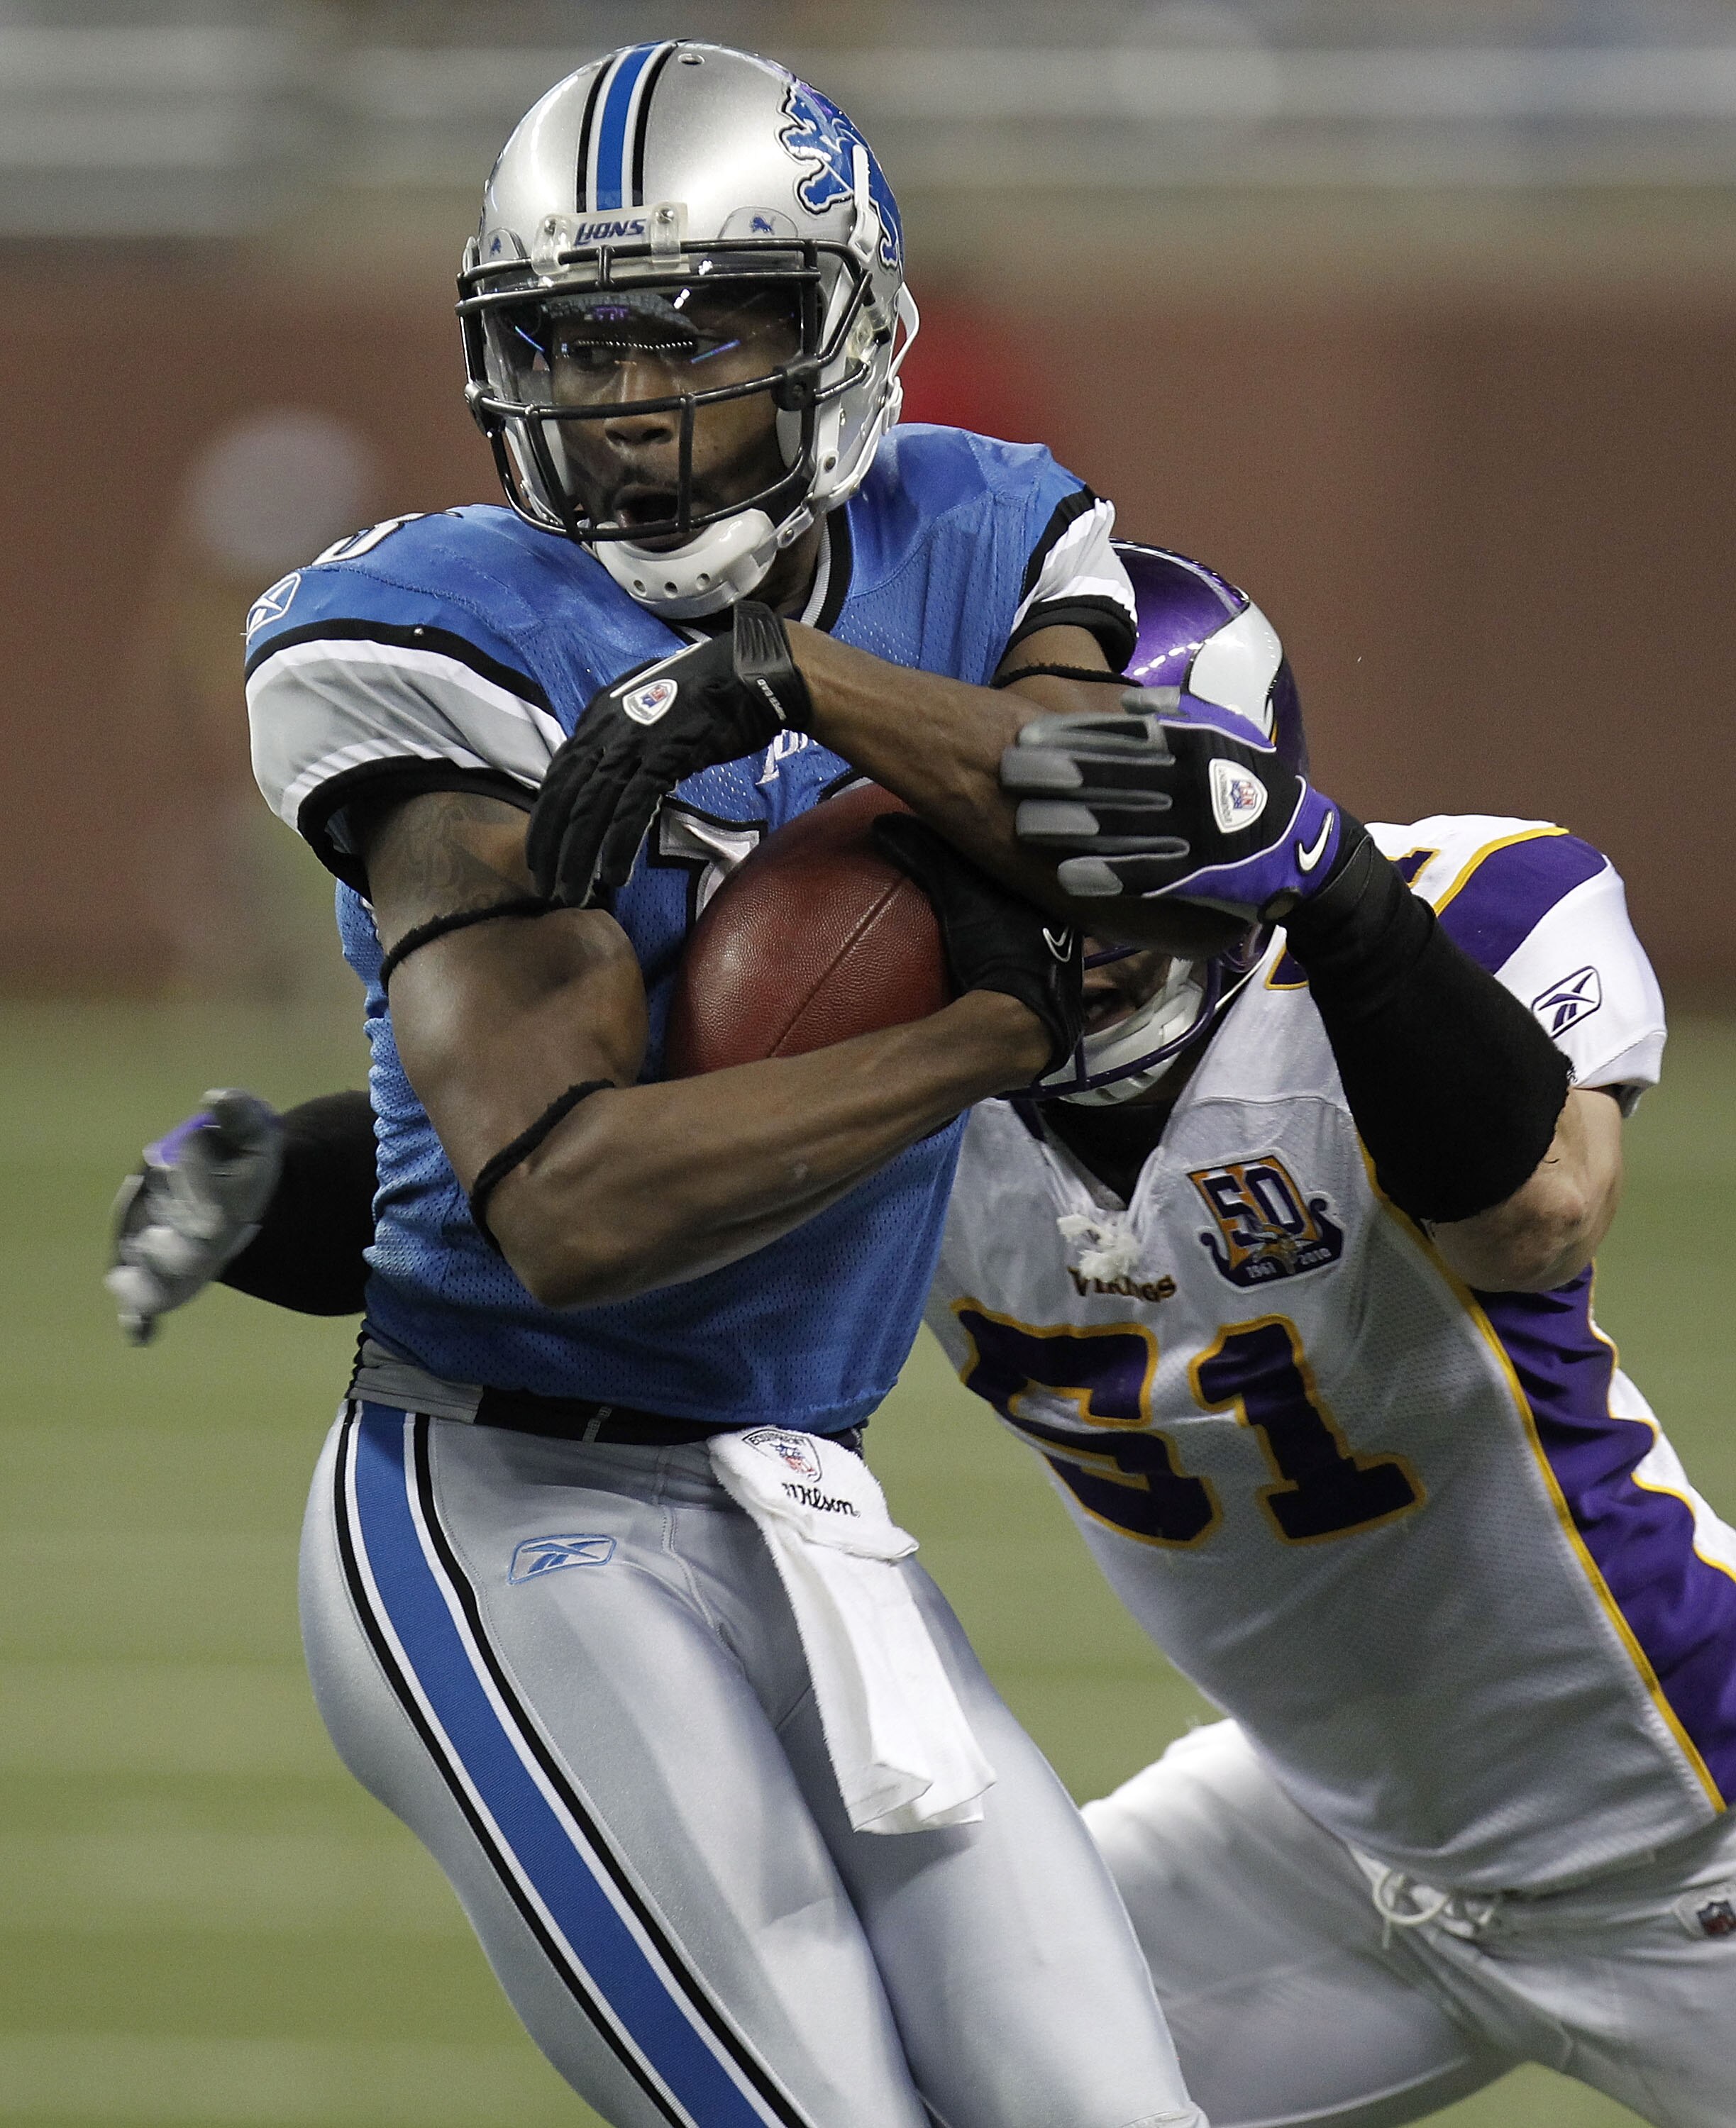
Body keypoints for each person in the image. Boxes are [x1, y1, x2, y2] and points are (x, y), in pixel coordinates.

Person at [120, 543, 1736, 2127]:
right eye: (1006, 845)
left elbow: (1536, 1216)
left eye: (1112, 852)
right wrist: (273, 1177)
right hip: (1323, 1840)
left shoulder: (1462, 904)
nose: (1069, 912)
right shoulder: (921, 1037)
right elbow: (567, 1175)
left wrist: (1336, 896)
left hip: (1686, 1820)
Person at [138, 39, 1215, 2128]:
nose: (627, 399)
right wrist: (991, 1034)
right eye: (574, 343)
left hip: (806, 1497)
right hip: (510, 1508)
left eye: (698, 333)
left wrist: (795, 680)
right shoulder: (431, 636)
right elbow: (570, 1204)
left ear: (849, 331)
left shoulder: (987, 527)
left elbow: (1133, 829)